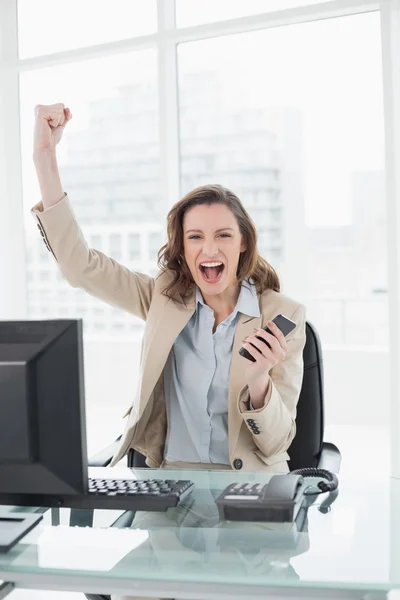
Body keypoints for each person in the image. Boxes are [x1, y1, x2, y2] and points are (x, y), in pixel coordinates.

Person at [32, 102, 306, 476]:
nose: (209, 249)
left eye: (223, 235)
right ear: (183, 247)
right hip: (172, 483)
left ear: (243, 243)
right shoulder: (163, 299)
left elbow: (276, 444)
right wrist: (44, 156)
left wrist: (259, 382)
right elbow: (81, 266)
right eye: (195, 237)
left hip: (251, 491)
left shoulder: (282, 316)